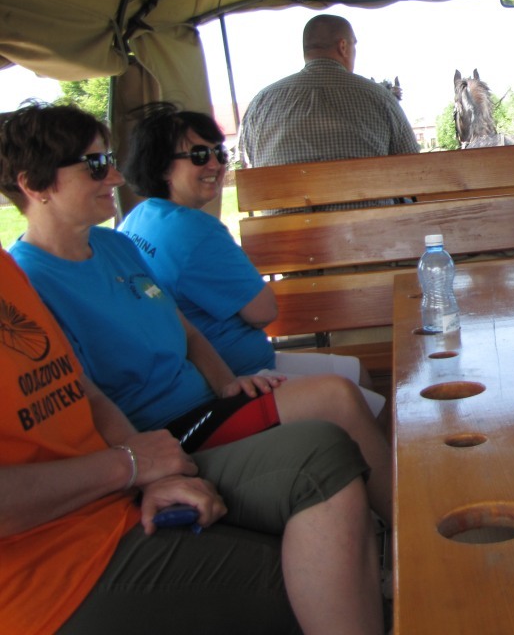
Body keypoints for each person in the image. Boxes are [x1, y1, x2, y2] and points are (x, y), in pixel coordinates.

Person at [0, 102, 393, 527]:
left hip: (207, 402)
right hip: (166, 429)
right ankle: (408, 531)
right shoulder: (30, 283)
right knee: (337, 397)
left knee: (344, 393)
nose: (115, 177)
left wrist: (227, 382)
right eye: (95, 165)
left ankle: (393, 525)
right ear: (34, 184)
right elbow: (86, 399)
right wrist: (145, 467)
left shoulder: (114, 244)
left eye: (110, 161)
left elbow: (184, 330)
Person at [0, 241, 382, 634]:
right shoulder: (36, 269)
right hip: (47, 588)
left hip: (112, 502)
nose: (113, 187)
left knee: (321, 453)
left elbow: (86, 393)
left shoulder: (11, 269)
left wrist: (152, 473)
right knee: (324, 575)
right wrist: (129, 465)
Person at [116, 103, 386, 419]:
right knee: (363, 400)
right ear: (162, 166)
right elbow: (263, 312)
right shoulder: (195, 231)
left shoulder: (138, 218)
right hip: (231, 378)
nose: (216, 164)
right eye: (200, 155)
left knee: (356, 371)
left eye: (220, 153)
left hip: (221, 367)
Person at [238, 14, 419, 193]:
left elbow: (253, 160)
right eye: (354, 45)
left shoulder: (261, 103)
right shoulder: (380, 97)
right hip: (367, 213)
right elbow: (414, 167)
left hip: (284, 212)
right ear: (343, 47)